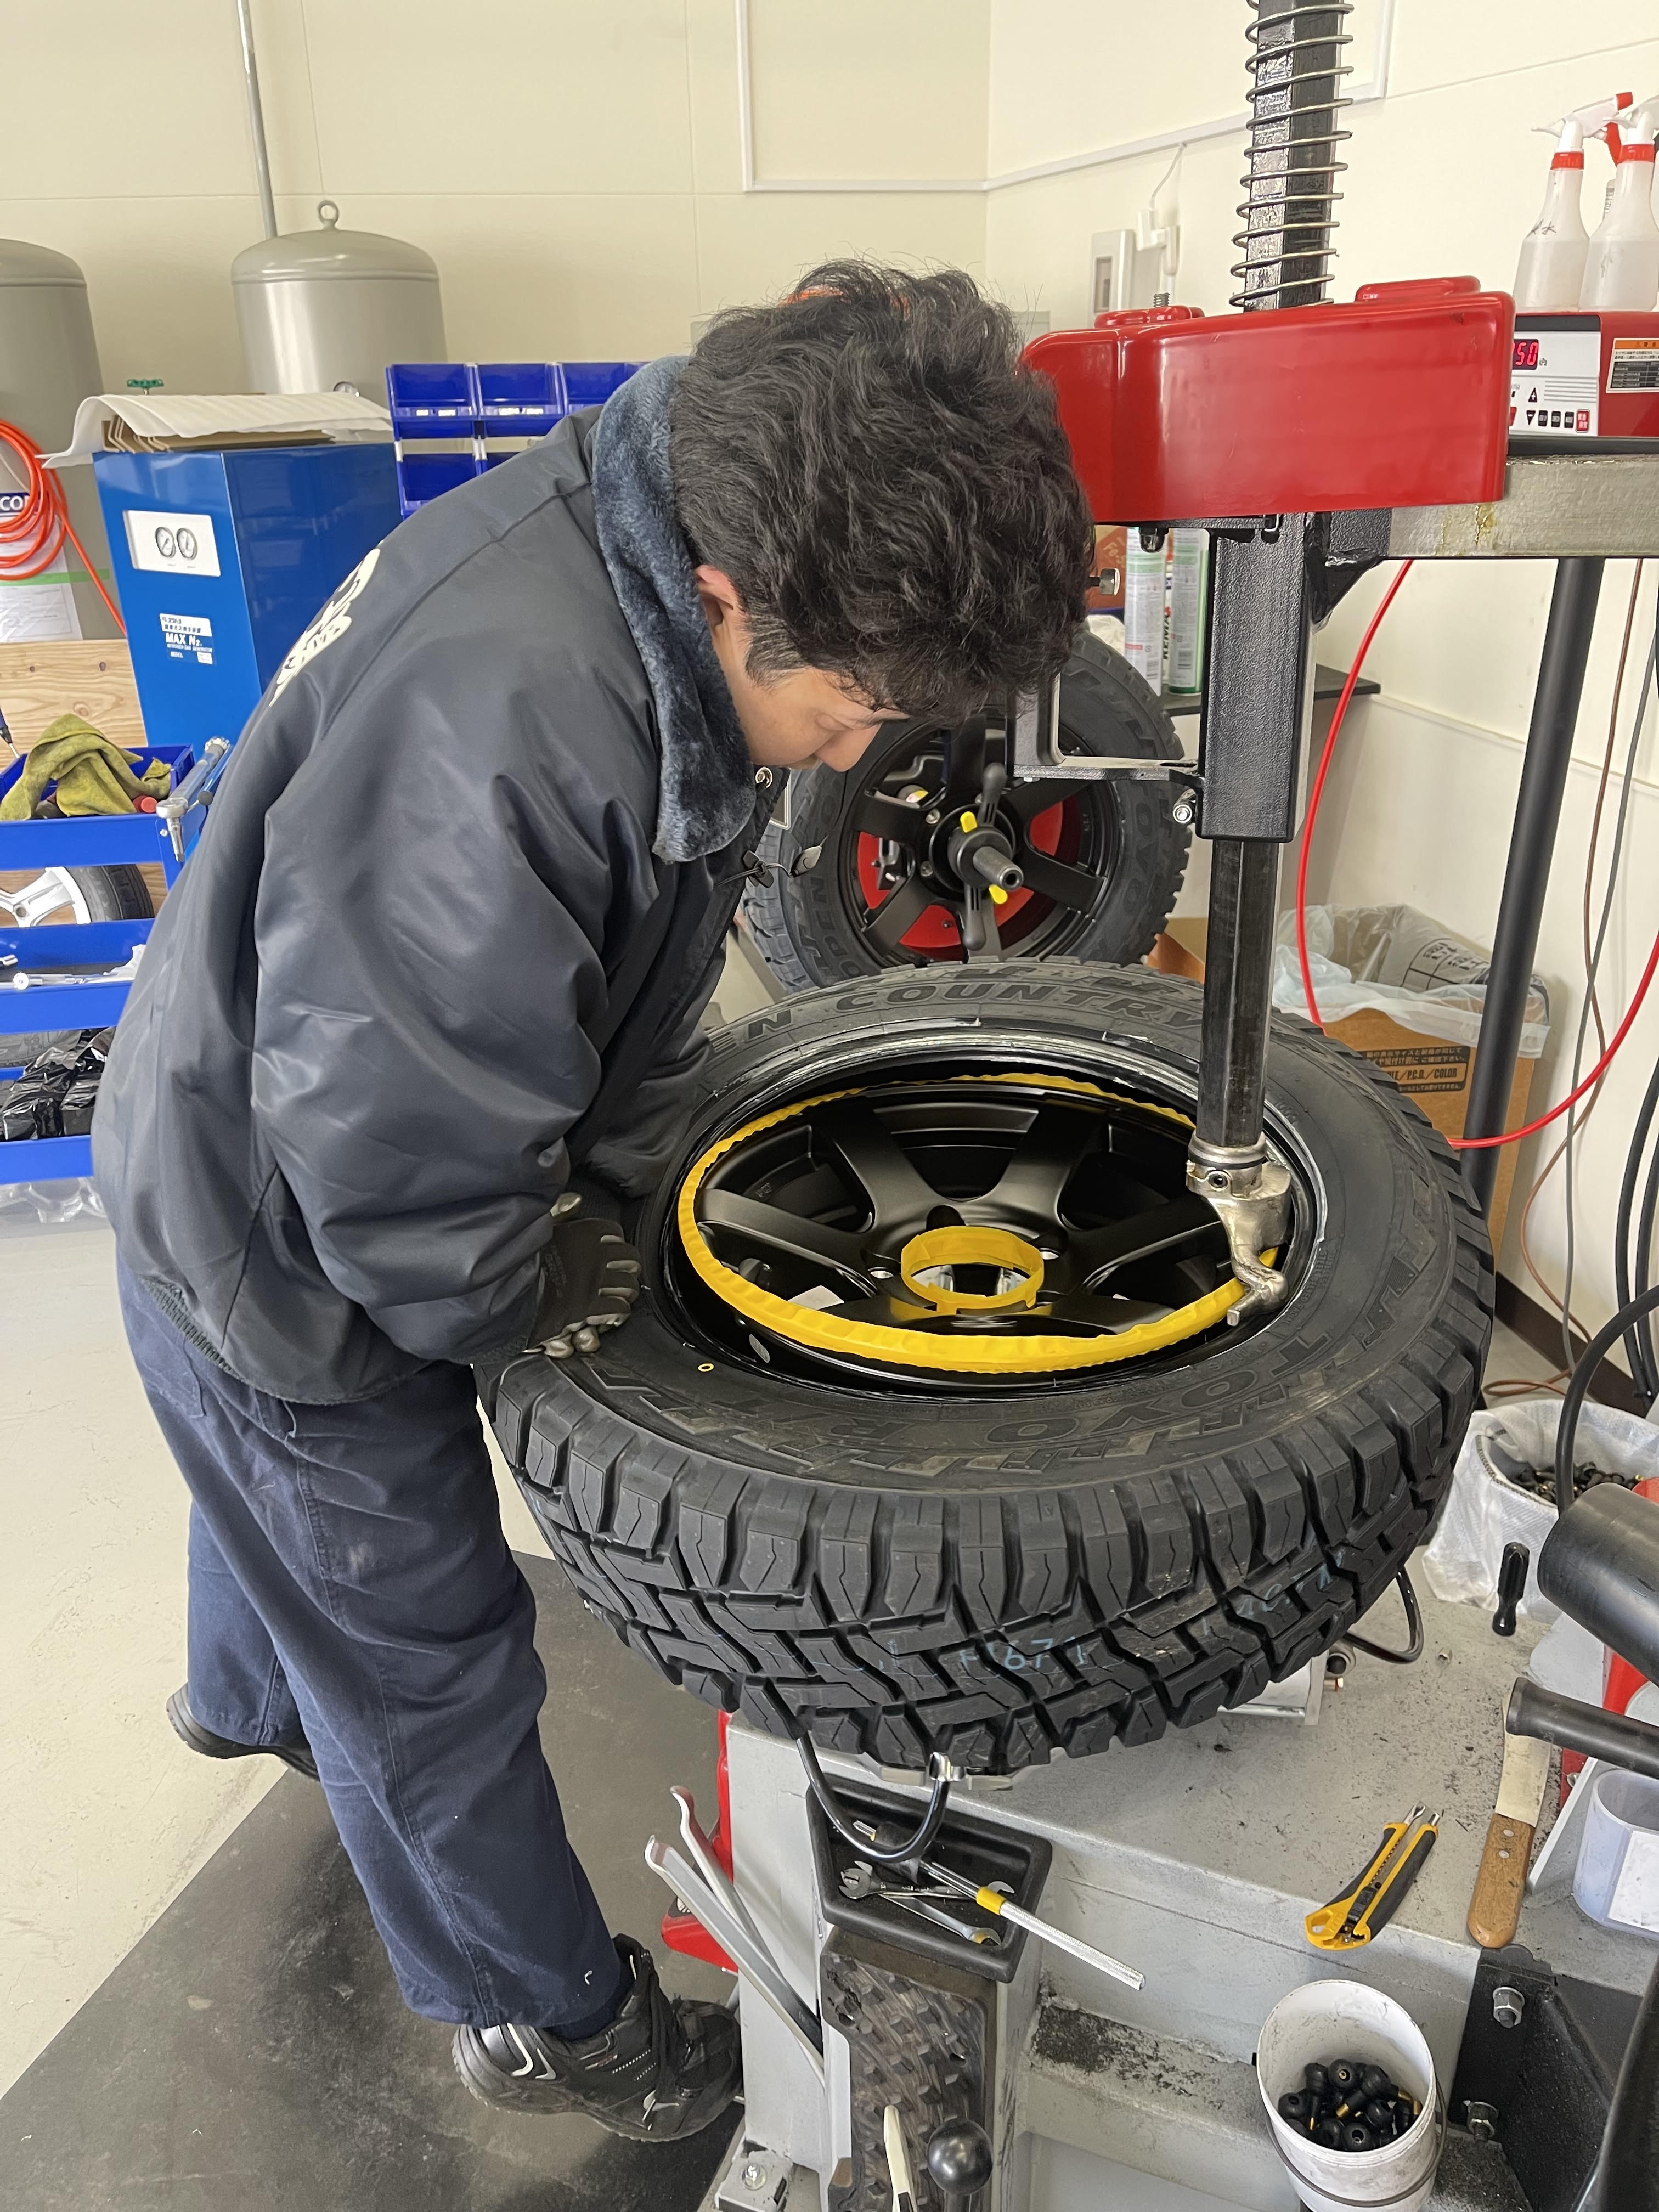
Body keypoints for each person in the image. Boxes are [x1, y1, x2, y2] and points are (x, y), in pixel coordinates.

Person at [95, 262, 1092, 2140]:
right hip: (279, 1230)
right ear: (724, 597)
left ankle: (249, 1705)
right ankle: (537, 2012)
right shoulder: (505, 724)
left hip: (228, 1093)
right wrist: (519, 1283)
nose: (859, 753)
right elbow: (396, 1169)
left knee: (279, 1518)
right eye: (852, 705)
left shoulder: (646, 524)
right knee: (425, 1650)